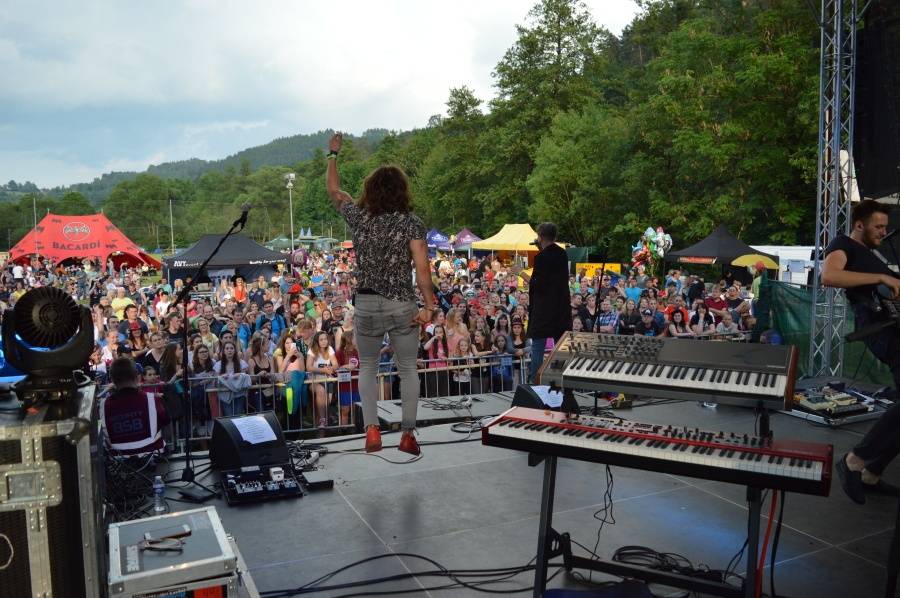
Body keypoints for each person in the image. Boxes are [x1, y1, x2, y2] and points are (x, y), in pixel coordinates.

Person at [326, 131, 435, 455]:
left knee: (369, 366)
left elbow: (334, 191)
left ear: (370, 190)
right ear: (402, 191)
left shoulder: (360, 218)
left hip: (368, 302)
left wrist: (333, 155)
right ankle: (407, 435)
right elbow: (423, 269)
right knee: (407, 368)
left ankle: (371, 430)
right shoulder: (411, 223)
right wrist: (429, 306)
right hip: (402, 303)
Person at [820, 200, 900, 503]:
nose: (884, 231)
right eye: (878, 226)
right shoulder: (843, 244)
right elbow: (830, 276)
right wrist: (882, 277)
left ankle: (872, 472)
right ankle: (855, 460)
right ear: (859, 225)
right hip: (884, 332)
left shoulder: (873, 256)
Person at [514, 223, 570, 382]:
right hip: (561, 308)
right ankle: (559, 380)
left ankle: (535, 383)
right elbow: (552, 274)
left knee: (538, 346)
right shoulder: (562, 254)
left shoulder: (541, 258)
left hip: (544, 310)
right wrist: (541, 248)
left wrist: (520, 272)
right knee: (560, 347)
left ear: (540, 236)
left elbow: (538, 284)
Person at [102, 357, 169, 455]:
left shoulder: (103, 405)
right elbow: (166, 420)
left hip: (120, 458)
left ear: (112, 379)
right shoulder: (152, 399)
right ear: (136, 376)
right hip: (152, 453)